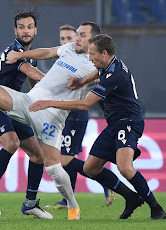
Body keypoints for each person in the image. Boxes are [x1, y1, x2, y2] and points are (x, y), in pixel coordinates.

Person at [0, 22, 142, 220]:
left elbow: (104, 90)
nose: (76, 38)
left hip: (51, 116)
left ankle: (72, 204)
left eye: (82, 35)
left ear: (93, 41)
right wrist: (20, 54)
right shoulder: (69, 48)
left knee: (53, 166)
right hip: (29, 101)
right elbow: (47, 52)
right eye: (76, 34)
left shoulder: (98, 70)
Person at [29, 34, 166, 220]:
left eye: (92, 54)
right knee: (90, 168)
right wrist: (82, 81)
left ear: (104, 53)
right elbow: (98, 72)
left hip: (128, 122)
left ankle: (156, 208)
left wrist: (49, 103)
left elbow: (84, 104)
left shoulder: (114, 76)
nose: (89, 58)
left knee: (125, 168)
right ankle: (131, 198)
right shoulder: (109, 64)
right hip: (115, 124)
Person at [0, 8, 52, 219]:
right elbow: (31, 72)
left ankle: (30, 203)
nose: (25, 31)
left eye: (29, 27)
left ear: (35, 30)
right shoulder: (15, 52)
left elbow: (33, 82)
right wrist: (59, 83)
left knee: (38, 156)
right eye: (21, 27)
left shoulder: (28, 55)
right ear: (15, 31)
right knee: (12, 143)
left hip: (12, 109)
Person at [44, 24, 115, 210]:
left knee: (66, 159)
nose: (67, 42)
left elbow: (100, 79)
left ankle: (105, 179)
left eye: (70, 38)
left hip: (76, 113)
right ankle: (67, 199)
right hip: (65, 113)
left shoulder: (88, 62)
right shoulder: (65, 59)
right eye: (62, 39)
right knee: (67, 157)